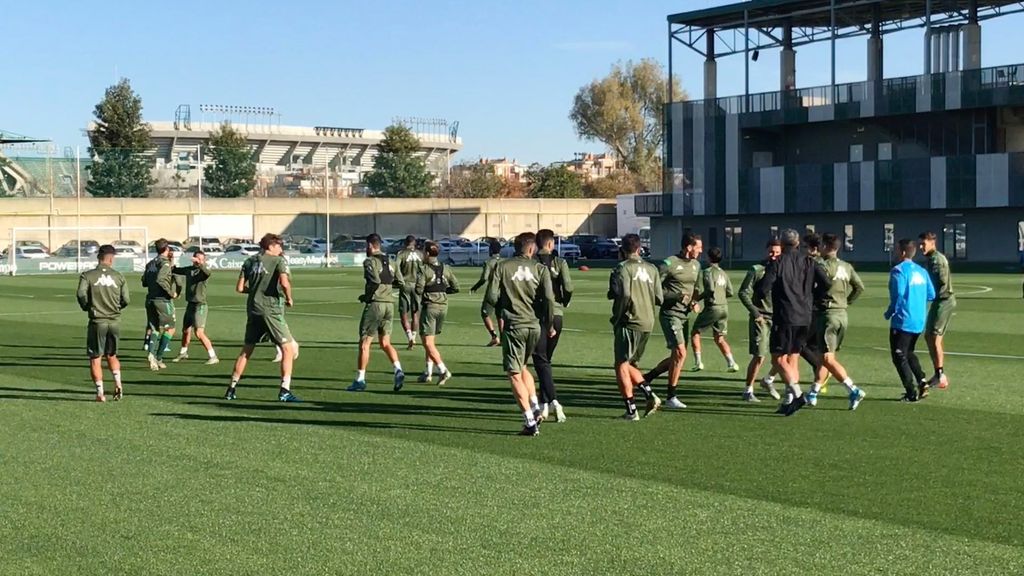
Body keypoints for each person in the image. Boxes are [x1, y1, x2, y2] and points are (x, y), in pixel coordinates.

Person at [484, 232, 556, 436]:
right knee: (523, 367)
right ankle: (535, 407)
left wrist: (498, 307)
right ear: (531, 249)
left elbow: (491, 296)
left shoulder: (502, 266)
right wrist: (549, 324)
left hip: (514, 325)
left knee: (514, 372)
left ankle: (529, 421)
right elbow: (549, 299)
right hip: (534, 325)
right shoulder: (540, 268)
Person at [755, 229, 831, 416]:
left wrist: (759, 293)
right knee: (793, 357)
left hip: (785, 316)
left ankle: (797, 394)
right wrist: (813, 296)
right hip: (805, 317)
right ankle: (789, 400)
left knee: (778, 358)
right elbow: (827, 283)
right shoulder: (809, 261)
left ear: (781, 244)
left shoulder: (778, 262)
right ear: (797, 243)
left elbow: (763, 289)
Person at [225, 233, 299, 402]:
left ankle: (231, 389)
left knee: (246, 350)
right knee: (288, 349)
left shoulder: (249, 261)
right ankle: (285, 390)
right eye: (279, 245)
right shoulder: (278, 261)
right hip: (270, 309)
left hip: (253, 309)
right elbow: (285, 282)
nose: (281, 248)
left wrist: (254, 291)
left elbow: (239, 288)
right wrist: (289, 298)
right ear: (271, 246)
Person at [806, 233, 867, 410]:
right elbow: (860, 287)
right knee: (826, 356)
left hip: (827, 315)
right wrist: (846, 302)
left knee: (826, 357)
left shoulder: (822, 265)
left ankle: (853, 389)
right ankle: (814, 392)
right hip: (842, 315)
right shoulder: (846, 266)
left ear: (825, 246)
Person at [643, 233, 702, 409]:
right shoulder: (669, 264)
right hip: (670, 314)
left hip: (685, 315)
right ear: (689, 247)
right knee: (680, 353)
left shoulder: (696, 265)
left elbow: (694, 290)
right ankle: (671, 396)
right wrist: (676, 296)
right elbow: (655, 290)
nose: (701, 251)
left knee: (678, 357)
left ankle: (647, 378)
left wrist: (693, 302)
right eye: (698, 247)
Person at [609, 233, 663, 421]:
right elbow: (659, 298)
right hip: (648, 321)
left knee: (620, 364)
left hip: (630, 321)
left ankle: (632, 410)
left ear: (622, 250)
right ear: (639, 249)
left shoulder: (623, 268)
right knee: (629, 363)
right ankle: (648, 394)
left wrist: (618, 316)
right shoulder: (652, 268)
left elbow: (623, 295)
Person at [349, 233, 406, 392]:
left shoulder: (370, 261)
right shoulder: (392, 262)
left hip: (376, 305)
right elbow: (400, 282)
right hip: (389, 305)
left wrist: (367, 296)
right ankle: (398, 369)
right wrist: (387, 288)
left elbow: (374, 280)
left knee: (365, 343)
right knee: (385, 342)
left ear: (370, 245)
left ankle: (360, 380)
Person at [885, 239, 936, 402]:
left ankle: (911, 392)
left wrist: (890, 312)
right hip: (919, 320)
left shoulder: (898, 271)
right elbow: (931, 294)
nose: (895, 253)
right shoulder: (921, 271)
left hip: (903, 320)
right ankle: (922, 381)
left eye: (896, 250)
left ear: (902, 252)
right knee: (908, 352)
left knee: (899, 356)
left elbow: (898, 294)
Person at [76, 245, 129, 402]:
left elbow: (80, 294)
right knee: (112, 355)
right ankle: (118, 384)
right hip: (114, 321)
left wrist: (87, 306)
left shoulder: (87, 275)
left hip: (97, 321)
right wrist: (116, 308)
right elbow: (126, 299)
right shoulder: (119, 276)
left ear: (98, 257)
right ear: (111, 258)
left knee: (95, 357)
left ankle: (100, 394)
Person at [532, 229, 574, 423]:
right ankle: (545, 403)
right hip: (556, 314)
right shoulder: (560, 262)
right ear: (550, 244)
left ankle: (553, 402)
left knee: (541, 361)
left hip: (537, 315)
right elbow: (569, 286)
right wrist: (565, 300)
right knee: (545, 360)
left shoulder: (531, 263)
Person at [738, 238, 782, 402]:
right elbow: (743, 293)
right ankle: (748, 390)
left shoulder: (783, 269)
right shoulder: (757, 270)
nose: (774, 255)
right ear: (766, 251)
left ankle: (768, 380)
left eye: (777, 252)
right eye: (771, 252)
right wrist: (756, 313)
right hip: (761, 318)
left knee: (782, 356)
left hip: (779, 318)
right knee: (760, 356)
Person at [415, 241, 459, 386]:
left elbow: (419, 289)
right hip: (443, 306)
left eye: (423, 251)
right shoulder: (446, 268)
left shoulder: (424, 269)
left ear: (427, 253)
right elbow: (456, 287)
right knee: (430, 341)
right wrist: (442, 291)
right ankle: (428, 372)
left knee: (427, 342)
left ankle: (443, 369)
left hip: (430, 306)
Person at [690, 246, 738, 373]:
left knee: (695, 332)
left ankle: (698, 362)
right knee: (719, 337)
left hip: (713, 307)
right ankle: (732, 363)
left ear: (708, 257)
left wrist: (696, 299)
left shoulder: (707, 272)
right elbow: (730, 292)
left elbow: (709, 289)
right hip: (724, 307)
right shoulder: (723, 273)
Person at [919, 232, 955, 391]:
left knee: (934, 337)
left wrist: (925, 290)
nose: (921, 247)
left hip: (944, 301)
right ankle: (938, 373)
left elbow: (941, 282)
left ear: (932, 243)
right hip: (938, 301)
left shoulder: (937, 260)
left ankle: (940, 375)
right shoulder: (931, 259)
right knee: (929, 336)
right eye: (920, 244)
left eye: (924, 244)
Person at [171, 250, 218, 365]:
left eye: (201, 259)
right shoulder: (189, 270)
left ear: (204, 260)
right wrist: (171, 259)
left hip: (200, 305)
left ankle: (213, 356)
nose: (198, 261)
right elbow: (175, 270)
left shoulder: (203, 271)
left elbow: (207, 273)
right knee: (186, 330)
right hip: (190, 305)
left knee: (199, 333)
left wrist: (200, 264)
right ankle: (183, 352)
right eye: (197, 258)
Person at [142, 239, 178, 371]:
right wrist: (171, 293)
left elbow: (144, 282)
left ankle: (151, 354)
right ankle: (159, 357)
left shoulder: (150, 263)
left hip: (150, 299)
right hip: (162, 300)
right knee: (170, 329)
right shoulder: (165, 263)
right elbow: (161, 279)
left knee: (155, 328)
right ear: (166, 249)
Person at [470, 239, 503, 347]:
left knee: (485, 313)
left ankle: (494, 336)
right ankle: (503, 338)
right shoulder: (504, 262)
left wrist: (475, 287)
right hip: (503, 292)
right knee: (500, 314)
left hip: (492, 292)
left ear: (491, 250)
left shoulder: (489, 262)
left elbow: (484, 278)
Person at [396, 235, 424, 350]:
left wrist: (400, 281)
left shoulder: (401, 254)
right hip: (417, 285)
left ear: (405, 243)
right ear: (414, 243)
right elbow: (424, 270)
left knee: (404, 313)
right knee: (415, 313)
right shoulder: (420, 254)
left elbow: (396, 268)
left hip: (406, 284)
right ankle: (414, 336)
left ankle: (409, 337)